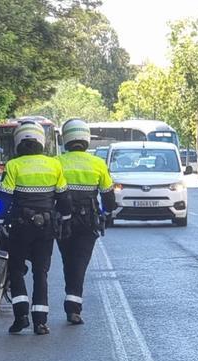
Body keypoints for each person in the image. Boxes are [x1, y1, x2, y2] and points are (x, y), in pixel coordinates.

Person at [0, 121, 71, 335]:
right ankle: (41, 322)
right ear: (41, 141)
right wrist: (65, 219)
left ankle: (21, 316)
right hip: (46, 227)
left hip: (20, 227)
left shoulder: (13, 165)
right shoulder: (54, 165)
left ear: (18, 141)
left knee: (16, 270)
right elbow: (63, 198)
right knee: (41, 272)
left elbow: (5, 199)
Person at [56, 119, 116, 325]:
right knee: (80, 262)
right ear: (86, 139)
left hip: (62, 222)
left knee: (68, 260)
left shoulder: (57, 162)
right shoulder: (98, 164)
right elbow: (109, 197)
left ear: (66, 139)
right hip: (88, 222)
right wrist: (108, 214)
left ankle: (71, 300)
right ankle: (73, 307)